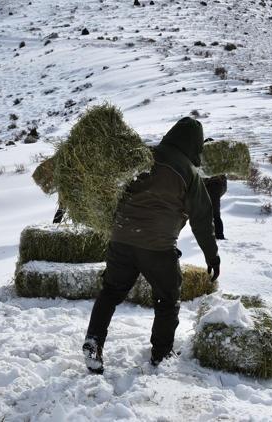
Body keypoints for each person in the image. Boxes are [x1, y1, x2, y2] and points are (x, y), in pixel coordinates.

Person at [82, 117, 220, 374]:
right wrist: (212, 255)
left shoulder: (142, 156)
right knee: (167, 299)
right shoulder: (188, 172)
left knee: (111, 292)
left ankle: (94, 341)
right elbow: (202, 219)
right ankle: (161, 353)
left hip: (121, 238)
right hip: (157, 247)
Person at [203, 174, 227, 240]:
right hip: (214, 186)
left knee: (215, 215)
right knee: (212, 214)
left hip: (214, 186)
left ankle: (219, 236)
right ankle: (213, 234)